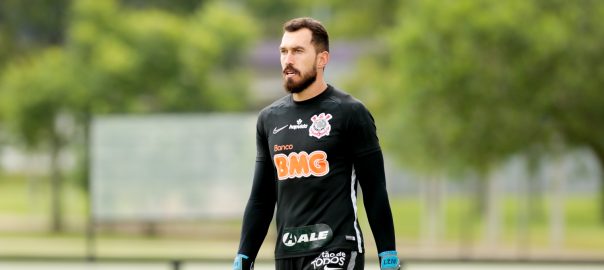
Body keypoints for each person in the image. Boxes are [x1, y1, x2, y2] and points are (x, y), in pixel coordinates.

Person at [233, 17, 401, 270]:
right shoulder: (269, 119)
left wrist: (387, 254)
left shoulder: (350, 113)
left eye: (298, 51)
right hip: (288, 253)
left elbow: (375, 191)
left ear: (322, 59)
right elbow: (261, 199)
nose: (288, 60)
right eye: (284, 51)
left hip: (337, 249)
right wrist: (243, 257)